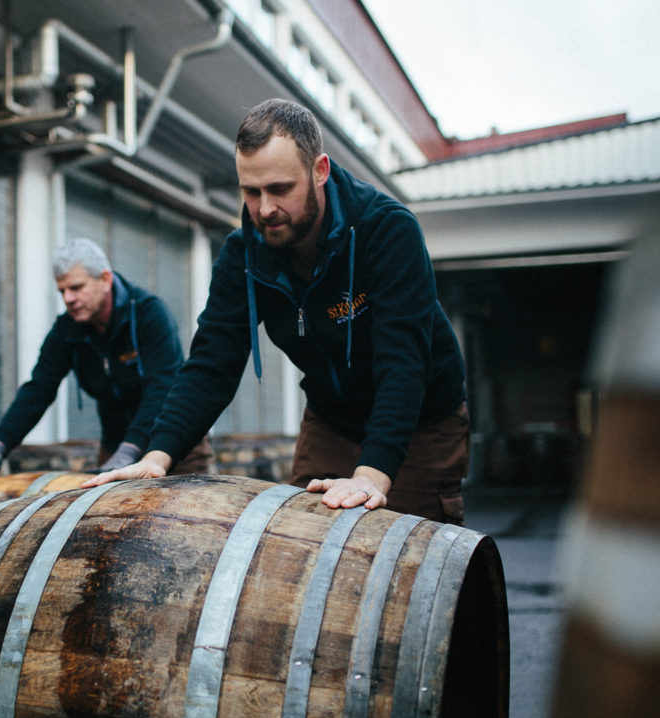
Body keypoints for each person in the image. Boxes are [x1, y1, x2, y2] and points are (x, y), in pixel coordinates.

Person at [85, 99, 469, 524]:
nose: (265, 209)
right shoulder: (243, 254)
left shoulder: (387, 231)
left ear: (319, 171)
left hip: (420, 421)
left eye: (280, 189)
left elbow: (403, 361)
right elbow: (213, 362)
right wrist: (158, 455)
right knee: (298, 542)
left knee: (407, 557)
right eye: (251, 192)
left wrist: (372, 474)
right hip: (332, 419)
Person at [0, 238, 210, 488]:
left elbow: (162, 388)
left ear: (105, 280)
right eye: (62, 291)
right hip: (115, 448)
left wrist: (130, 450)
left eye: (76, 287)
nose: (68, 299)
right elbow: (38, 389)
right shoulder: (67, 329)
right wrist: (0, 443)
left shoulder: (147, 314)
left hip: (173, 445)